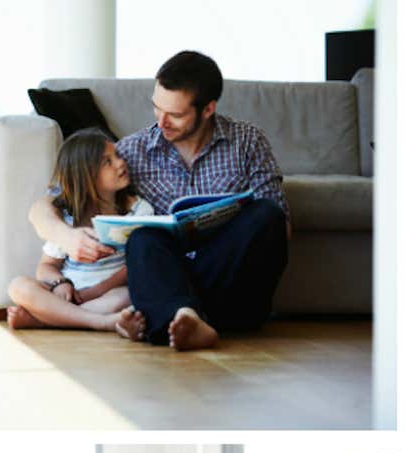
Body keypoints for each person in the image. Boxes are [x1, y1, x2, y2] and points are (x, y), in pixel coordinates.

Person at [29, 51, 290, 350]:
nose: (162, 122)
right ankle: (184, 317)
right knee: (144, 239)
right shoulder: (132, 152)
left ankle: (192, 316)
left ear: (208, 109)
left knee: (268, 214)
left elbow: (280, 232)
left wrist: (225, 228)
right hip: (166, 286)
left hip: (227, 286)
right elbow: (44, 206)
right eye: (157, 108)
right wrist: (67, 236)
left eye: (175, 115)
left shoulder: (248, 141)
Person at [6, 128, 149, 335]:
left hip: (106, 293)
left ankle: (45, 320)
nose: (120, 163)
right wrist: (60, 283)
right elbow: (46, 266)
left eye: (117, 155)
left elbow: (132, 267)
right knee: (17, 286)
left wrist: (96, 291)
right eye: (107, 162)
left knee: (125, 297)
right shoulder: (67, 218)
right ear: (86, 176)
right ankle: (102, 322)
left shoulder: (139, 211)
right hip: (67, 294)